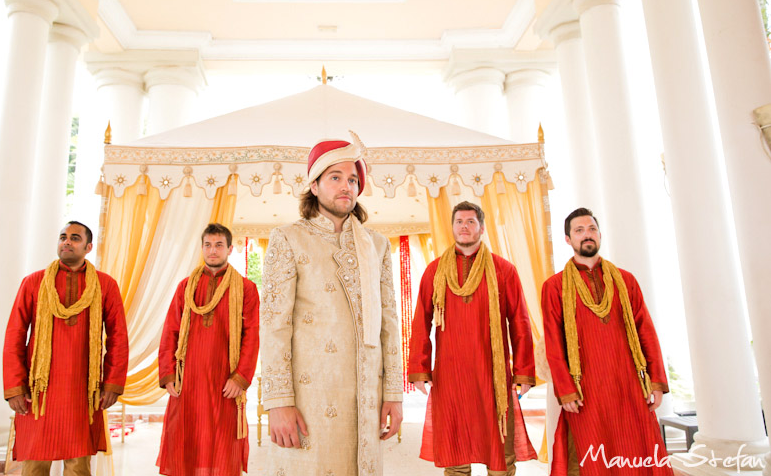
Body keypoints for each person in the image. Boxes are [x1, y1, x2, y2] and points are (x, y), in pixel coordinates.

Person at [260, 134, 403, 476]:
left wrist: (393, 393)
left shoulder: (377, 245)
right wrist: (279, 402)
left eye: (353, 179)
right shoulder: (288, 239)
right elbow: (274, 324)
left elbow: (389, 321)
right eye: (335, 177)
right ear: (314, 185)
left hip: (366, 395)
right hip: (311, 395)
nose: (346, 187)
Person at [408, 201, 537, 476]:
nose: (464, 227)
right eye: (459, 222)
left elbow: (520, 323)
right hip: (451, 376)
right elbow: (421, 321)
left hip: (491, 375)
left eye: (470, 222)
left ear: (481, 227)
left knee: (499, 451)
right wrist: (420, 369)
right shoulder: (434, 271)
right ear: (452, 227)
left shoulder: (504, 270)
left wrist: (524, 372)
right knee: (455, 449)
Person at [541, 208, 671, 476]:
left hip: (628, 385)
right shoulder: (554, 287)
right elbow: (554, 344)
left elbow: (645, 330)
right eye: (579, 231)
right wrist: (566, 390)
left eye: (591, 229)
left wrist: (656, 381)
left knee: (637, 451)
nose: (586, 235)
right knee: (592, 456)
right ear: (568, 239)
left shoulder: (625, 280)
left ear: (599, 234)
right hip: (585, 388)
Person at [3, 221, 129, 476]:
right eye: (63, 237)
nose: (66, 242)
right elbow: (15, 335)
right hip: (38, 392)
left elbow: (117, 338)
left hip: (82, 390)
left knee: (78, 465)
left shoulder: (105, 285)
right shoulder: (34, 282)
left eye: (74, 238)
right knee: (34, 463)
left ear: (88, 246)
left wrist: (112, 383)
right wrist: (14, 386)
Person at [156, 222, 260, 476]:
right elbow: (171, 331)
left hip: (225, 382)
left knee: (223, 450)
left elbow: (252, 336)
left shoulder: (246, 289)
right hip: (188, 382)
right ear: (202, 248)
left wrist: (241, 378)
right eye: (208, 245)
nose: (213, 251)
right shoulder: (185, 287)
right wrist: (168, 374)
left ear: (229, 249)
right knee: (185, 446)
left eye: (219, 245)